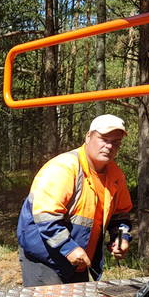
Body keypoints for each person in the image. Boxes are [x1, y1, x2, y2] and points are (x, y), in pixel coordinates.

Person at [17, 113, 133, 286]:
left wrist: (121, 238)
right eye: (103, 139)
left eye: (115, 142)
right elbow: (45, 217)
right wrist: (68, 248)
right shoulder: (64, 168)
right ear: (88, 136)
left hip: (77, 260)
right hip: (46, 258)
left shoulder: (115, 176)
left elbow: (120, 216)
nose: (109, 146)